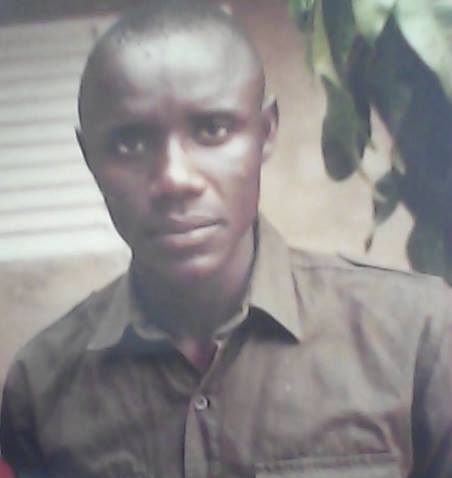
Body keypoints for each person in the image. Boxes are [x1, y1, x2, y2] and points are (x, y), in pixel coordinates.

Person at [1, 1, 452, 477]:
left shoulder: (416, 337)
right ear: (89, 156)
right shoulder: (41, 387)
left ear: (265, 132)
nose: (174, 178)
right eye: (129, 142)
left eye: (212, 129)